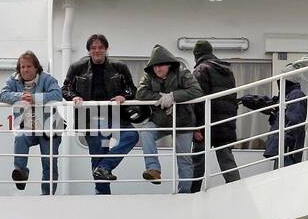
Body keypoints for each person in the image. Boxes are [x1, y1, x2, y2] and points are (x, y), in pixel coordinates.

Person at [61, 34, 150, 194]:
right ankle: (102, 193)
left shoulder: (119, 67)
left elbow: (131, 88)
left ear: (106, 49)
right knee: (97, 154)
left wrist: (125, 96)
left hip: (114, 115)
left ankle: (105, 166)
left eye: (100, 47)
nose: (97, 50)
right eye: (93, 48)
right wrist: (74, 96)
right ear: (88, 50)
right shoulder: (77, 67)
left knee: (131, 136)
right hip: (90, 118)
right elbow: (66, 88)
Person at [135, 44, 204, 193]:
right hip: (160, 120)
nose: (158, 69)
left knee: (184, 158)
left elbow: (197, 91)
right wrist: (160, 97)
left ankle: (185, 192)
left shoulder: (182, 74)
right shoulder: (148, 77)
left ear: (169, 64)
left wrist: (173, 96)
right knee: (146, 131)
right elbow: (140, 93)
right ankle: (153, 169)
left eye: (161, 65)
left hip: (183, 121)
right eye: (155, 66)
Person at [0, 51, 64, 195]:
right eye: (22, 67)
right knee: (20, 137)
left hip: (50, 127)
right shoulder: (13, 80)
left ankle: (47, 194)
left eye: (29, 66)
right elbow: (2, 95)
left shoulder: (47, 79)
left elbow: (57, 94)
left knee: (49, 162)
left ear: (36, 68)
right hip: (28, 125)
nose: (25, 70)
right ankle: (21, 174)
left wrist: (35, 98)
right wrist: (20, 96)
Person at [189, 40, 240, 192]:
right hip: (225, 122)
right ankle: (237, 188)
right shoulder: (227, 70)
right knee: (226, 159)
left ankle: (193, 192)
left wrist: (196, 127)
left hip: (207, 123)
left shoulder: (201, 70)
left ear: (196, 55)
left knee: (198, 160)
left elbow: (198, 101)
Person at [239, 75, 308, 169]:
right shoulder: (286, 96)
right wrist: (248, 100)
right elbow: (268, 104)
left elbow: (295, 121)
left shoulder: (295, 95)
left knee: (285, 176)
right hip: (283, 145)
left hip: (287, 147)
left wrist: (286, 141)